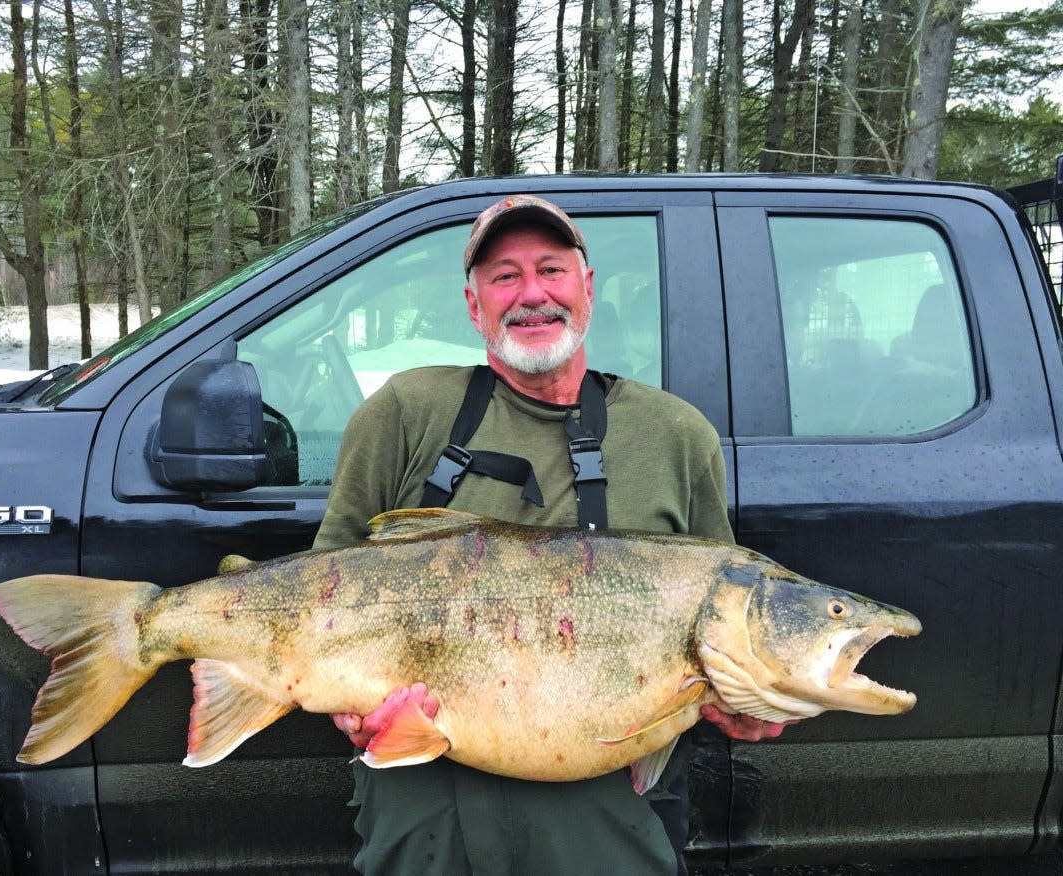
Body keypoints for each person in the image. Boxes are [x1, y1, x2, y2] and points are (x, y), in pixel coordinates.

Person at [313, 194, 789, 875]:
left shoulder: (676, 436)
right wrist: (348, 699)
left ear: (586, 289)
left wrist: (747, 700)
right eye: (504, 276)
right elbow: (324, 587)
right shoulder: (403, 413)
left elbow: (723, 614)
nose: (532, 294)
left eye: (551, 270)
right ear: (474, 305)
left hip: (607, 815)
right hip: (425, 802)